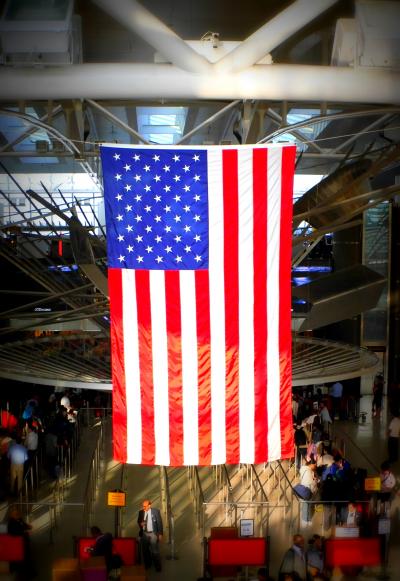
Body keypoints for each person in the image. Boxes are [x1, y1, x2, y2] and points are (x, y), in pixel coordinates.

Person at [137, 499, 163, 572]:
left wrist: (160, 534)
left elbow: (159, 523)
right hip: (144, 533)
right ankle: (148, 564)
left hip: (153, 533)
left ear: (149, 505)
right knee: (145, 551)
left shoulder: (155, 511)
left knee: (155, 551)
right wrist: (140, 524)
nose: (143, 508)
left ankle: (158, 567)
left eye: (145, 506)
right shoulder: (141, 512)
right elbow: (138, 521)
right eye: (143, 506)